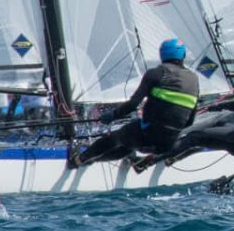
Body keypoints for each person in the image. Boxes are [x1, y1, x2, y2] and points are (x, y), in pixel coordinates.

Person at [66, 39, 200, 169]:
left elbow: (133, 104)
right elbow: (189, 121)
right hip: (168, 144)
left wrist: (113, 115)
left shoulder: (156, 74)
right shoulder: (194, 79)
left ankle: (78, 161)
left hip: (148, 134)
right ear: (183, 55)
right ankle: (97, 159)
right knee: (127, 146)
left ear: (162, 54)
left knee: (115, 138)